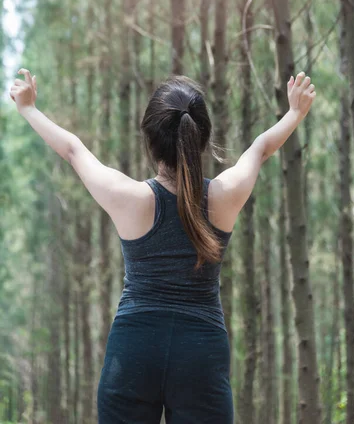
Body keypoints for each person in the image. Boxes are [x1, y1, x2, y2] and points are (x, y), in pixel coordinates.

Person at [10, 68, 316, 424]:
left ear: (150, 140)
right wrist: (294, 113)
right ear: (201, 138)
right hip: (201, 352)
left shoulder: (131, 198)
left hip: (134, 349)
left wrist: (29, 108)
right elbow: (260, 148)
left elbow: (73, 150)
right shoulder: (223, 196)